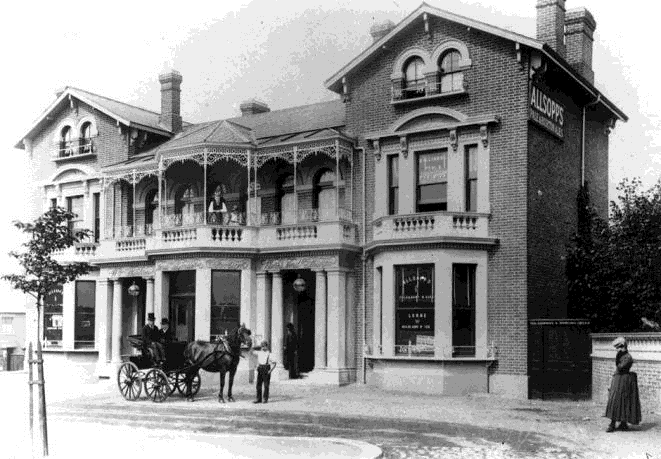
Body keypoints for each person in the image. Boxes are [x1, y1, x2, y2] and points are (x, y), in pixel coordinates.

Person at [604, 336, 642, 432]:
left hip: (624, 381)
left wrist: (618, 357)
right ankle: (614, 423)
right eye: (618, 347)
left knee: (623, 401)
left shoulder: (628, 357)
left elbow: (620, 367)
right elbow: (618, 367)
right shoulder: (620, 355)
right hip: (618, 379)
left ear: (624, 346)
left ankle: (621, 423)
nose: (618, 349)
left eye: (620, 347)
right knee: (615, 400)